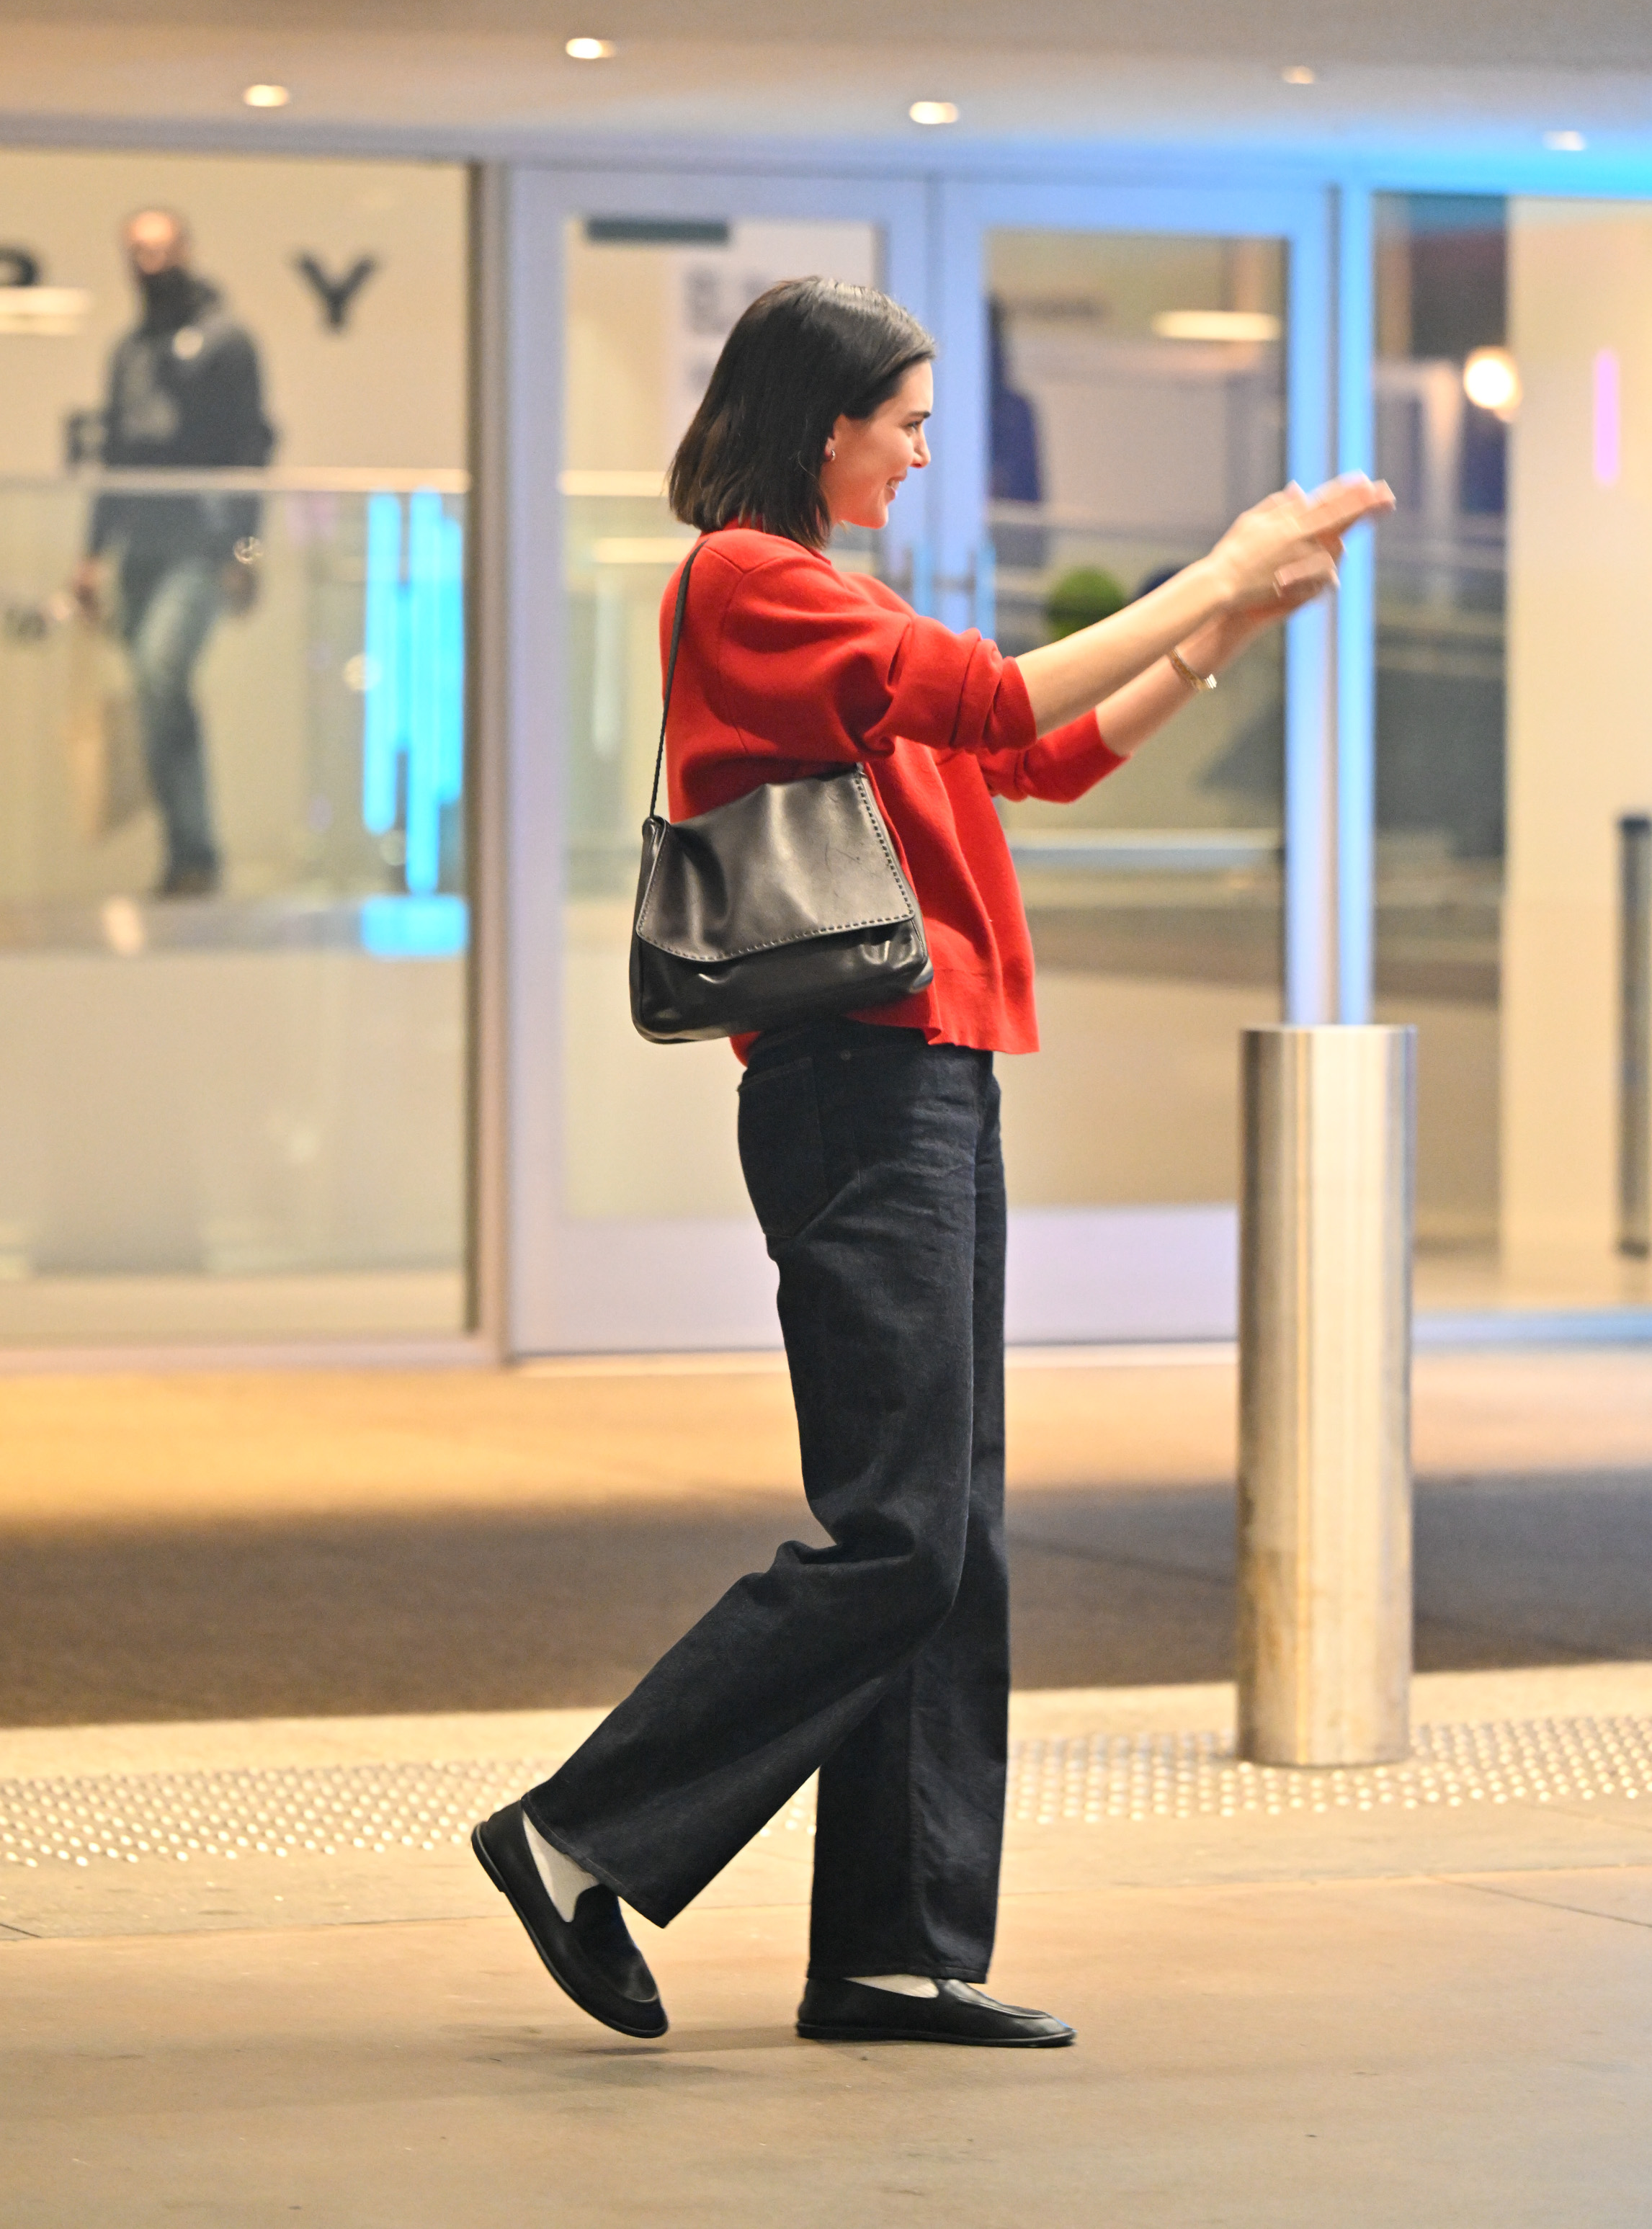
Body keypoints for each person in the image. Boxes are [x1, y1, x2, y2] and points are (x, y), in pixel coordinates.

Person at [472, 280, 1392, 2048]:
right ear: (821, 423)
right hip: (851, 1080)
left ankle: (894, 1942)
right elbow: (985, 697)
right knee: (900, 1528)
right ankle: (577, 1833)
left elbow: (1034, 754)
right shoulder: (753, 579)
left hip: (925, 1074)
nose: (914, 451)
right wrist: (1216, 564)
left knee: (943, 1530)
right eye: (899, 420)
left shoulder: (832, 594)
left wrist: (1230, 625)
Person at [71, 207, 275, 898]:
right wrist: (90, 555)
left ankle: (196, 852)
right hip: (140, 545)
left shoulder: (226, 342)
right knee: (153, 693)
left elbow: (252, 448)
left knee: (162, 672)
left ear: (185, 249)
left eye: (159, 248)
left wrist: (245, 550)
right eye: (136, 249)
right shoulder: (129, 351)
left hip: (204, 539)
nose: (148, 261)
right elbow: (115, 461)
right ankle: (183, 851)